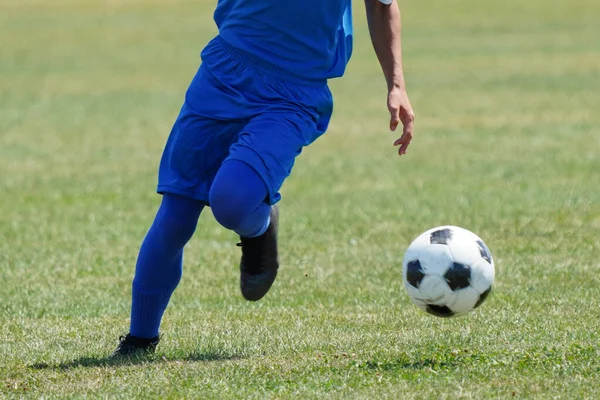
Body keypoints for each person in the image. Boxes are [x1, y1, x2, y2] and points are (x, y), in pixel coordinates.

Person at [112, 0, 415, 356]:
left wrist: (396, 84)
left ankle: (259, 227)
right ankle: (140, 339)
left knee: (232, 201)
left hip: (293, 93)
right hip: (224, 72)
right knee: (177, 213)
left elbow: (382, 6)